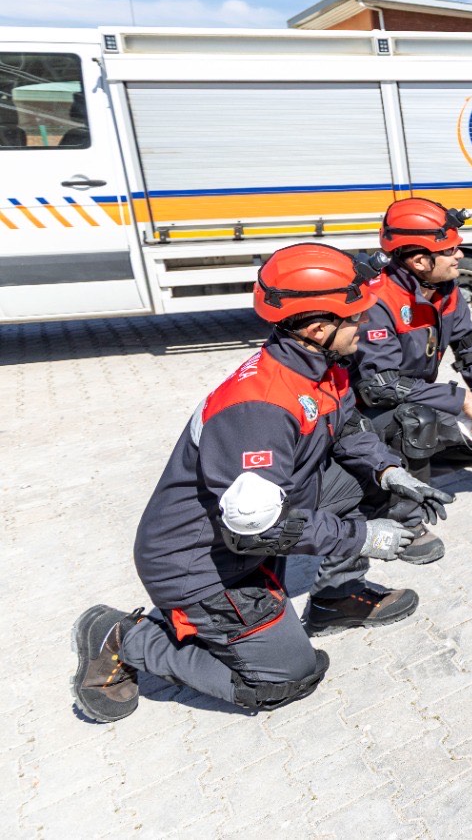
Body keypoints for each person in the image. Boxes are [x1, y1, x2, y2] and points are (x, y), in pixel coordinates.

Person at [72, 245, 436, 722]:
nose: (365, 325)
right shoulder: (259, 409)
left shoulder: (322, 369)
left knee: (366, 480)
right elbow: (258, 529)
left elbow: (346, 430)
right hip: (201, 562)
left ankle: (336, 596)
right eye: (356, 316)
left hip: (256, 529)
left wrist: (389, 471)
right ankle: (125, 637)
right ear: (318, 328)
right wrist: (362, 535)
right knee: (286, 679)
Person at [351, 200, 472, 531]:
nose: (460, 256)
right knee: (417, 422)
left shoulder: (446, 289)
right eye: (450, 249)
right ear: (420, 260)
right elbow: (380, 386)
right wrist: (460, 399)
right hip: (366, 411)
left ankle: (402, 471)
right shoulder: (379, 300)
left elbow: (470, 348)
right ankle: (401, 513)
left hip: (414, 397)